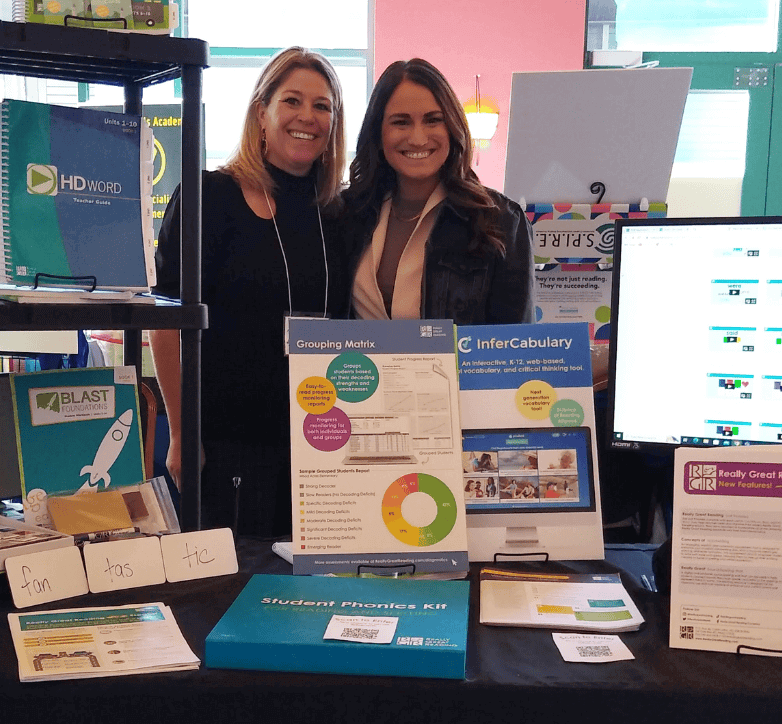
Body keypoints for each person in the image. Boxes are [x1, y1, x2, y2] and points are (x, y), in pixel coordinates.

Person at [149, 47, 347, 537]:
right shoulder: (209, 197)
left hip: (322, 444)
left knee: (311, 598)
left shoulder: (340, 214)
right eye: (292, 101)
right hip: (226, 444)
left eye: (322, 106)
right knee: (230, 596)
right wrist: (182, 433)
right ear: (262, 113)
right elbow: (166, 323)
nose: (308, 117)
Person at [340, 58, 535, 324]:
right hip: (356, 367)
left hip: (457, 368)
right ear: (378, 132)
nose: (418, 138)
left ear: (453, 127)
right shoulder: (348, 212)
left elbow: (513, 347)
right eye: (401, 122)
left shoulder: (501, 221)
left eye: (433, 120)